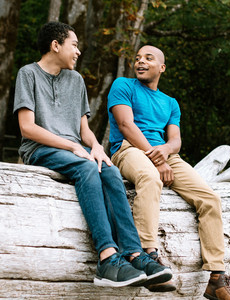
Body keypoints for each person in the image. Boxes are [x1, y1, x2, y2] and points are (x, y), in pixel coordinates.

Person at [13, 22, 173, 289]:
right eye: (74, 45)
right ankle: (107, 257)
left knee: (110, 169)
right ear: (56, 45)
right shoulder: (27, 74)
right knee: (88, 169)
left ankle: (133, 253)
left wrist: (96, 147)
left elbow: (83, 130)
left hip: (74, 148)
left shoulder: (75, 80)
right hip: (39, 149)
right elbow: (27, 128)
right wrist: (73, 147)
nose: (78, 51)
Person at [107, 45, 230, 299]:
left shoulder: (170, 102)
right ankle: (147, 254)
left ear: (162, 67)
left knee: (209, 198)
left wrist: (165, 152)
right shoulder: (122, 85)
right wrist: (157, 160)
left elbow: (175, 140)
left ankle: (216, 277)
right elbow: (125, 125)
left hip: (166, 156)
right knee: (149, 178)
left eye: (148, 58)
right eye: (137, 59)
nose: (140, 62)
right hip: (128, 149)